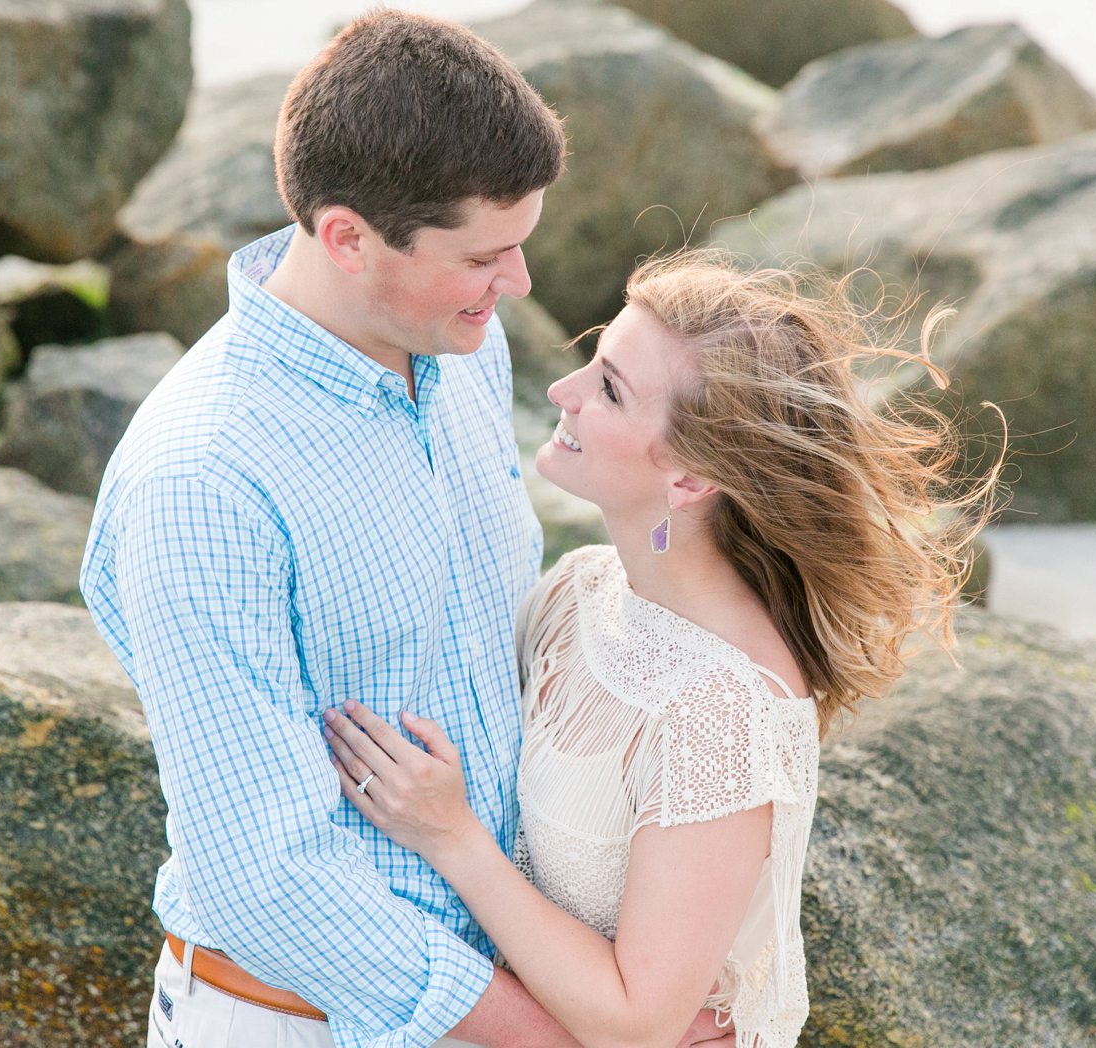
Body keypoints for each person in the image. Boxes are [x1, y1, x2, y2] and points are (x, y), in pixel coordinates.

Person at [80, 11, 740, 1048]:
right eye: (486, 255)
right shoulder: (203, 479)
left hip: (508, 992)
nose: (518, 286)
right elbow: (266, 879)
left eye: (521, 245)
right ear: (346, 236)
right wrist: (567, 1039)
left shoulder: (465, 352)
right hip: (303, 1025)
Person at [324, 253, 995, 1048]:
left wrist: (450, 835)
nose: (561, 393)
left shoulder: (726, 712)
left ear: (688, 479)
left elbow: (640, 1022)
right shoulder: (581, 589)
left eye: (609, 388)